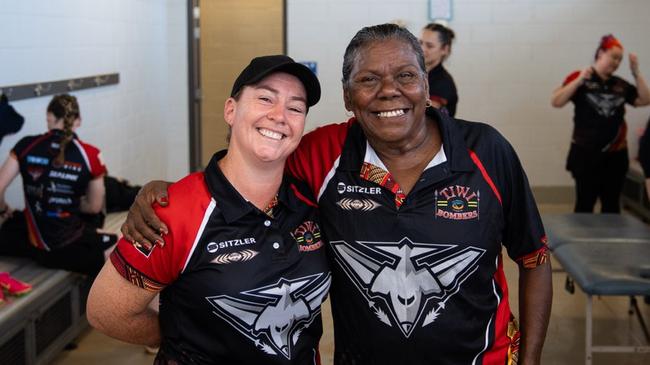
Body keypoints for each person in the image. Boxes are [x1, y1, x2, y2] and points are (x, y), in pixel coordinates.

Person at [124, 24, 552, 365]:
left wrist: (529, 359)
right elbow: (247, 170)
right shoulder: (322, 155)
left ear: (426, 83)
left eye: (405, 75)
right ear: (348, 97)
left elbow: (534, 258)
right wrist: (169, 193)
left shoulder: (486, 152)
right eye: (369, 80)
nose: (389, 91)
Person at [86, 55, 331, 364]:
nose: (280, 115)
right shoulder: (175, 210)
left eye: (295, 108)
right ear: (231, 110)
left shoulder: (313, 200)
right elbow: (107, 312)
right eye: (265, 98)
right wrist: (183, 342)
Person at [0, 94, 116, 277]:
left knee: (17, 222)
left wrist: (3, 209)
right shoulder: (90, 154)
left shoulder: (25, 145)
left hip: (34, 245)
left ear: (49, 117)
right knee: (120, 244)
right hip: (67, 248)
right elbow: (94, 207)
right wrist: (67, 204)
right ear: (78, 121)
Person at [551, 34, 650, 213]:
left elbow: (645, 99)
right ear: (601, 53)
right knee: (584, 204)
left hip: (616, 155)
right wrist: (580, 79)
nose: (616, 62)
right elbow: (556, 101)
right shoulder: (580, 78)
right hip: (585, 154)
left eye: (619, 59)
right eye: (613, 56)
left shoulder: (620, 85)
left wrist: (636, 72)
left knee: (611, 205)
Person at [419, 22, 458, 117]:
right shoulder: (417, 74)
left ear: (444, 49)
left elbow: (423, 113)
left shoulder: (443, 82)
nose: (421, 49)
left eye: (429, 46)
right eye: (420, 43)